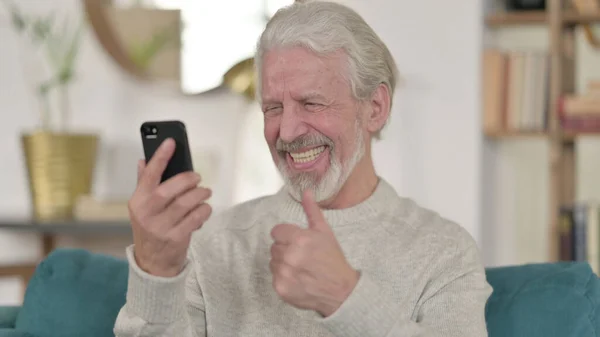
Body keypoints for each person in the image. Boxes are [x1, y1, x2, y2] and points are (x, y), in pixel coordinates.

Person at [113, 1, 492, 336]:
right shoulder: (214, 243)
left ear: (375, 108)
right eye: (272, 108)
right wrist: (156, 271)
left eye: (311, 104)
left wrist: (345, 298)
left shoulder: (443, 251)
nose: (288, 132)